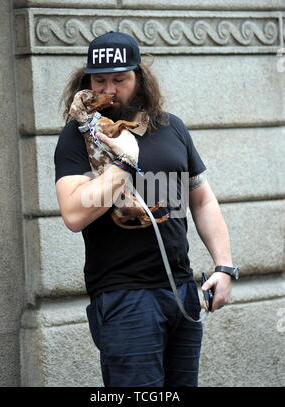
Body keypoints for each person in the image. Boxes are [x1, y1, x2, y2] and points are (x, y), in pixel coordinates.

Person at [54, 31, 238, 387]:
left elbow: (202, 199)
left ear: (139, 78)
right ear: (87, 80)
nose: (109, 90)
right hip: (125, 296)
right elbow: (74, 214)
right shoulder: (77, 135)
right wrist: (123, 164)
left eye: (119, 79)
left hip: (182, 289)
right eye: (100, 80)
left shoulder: (172, 128)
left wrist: (225, 266)